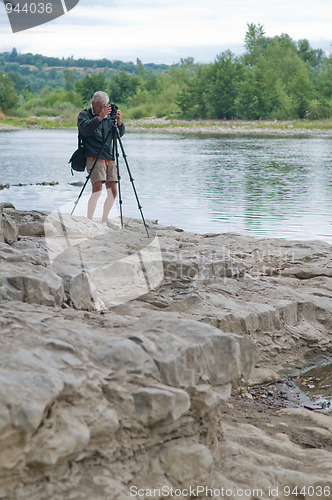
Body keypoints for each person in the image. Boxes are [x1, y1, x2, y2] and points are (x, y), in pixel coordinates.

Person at [77, 91, 125, 222]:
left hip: (109, 157)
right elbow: (85, 130)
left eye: (104, 106)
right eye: (99, 106)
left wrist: (119, 122)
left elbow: (117, 135)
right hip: (94, 156)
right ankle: (89, 218)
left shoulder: (108, 117)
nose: (101, 109)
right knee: (97, 190)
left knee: (113, 191)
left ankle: (104, 219)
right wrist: (99, 118)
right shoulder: (84, 115)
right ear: (93, 104)